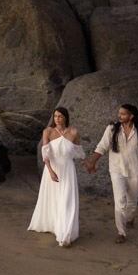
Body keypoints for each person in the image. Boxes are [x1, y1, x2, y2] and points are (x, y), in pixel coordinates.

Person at [86, 104, 138, 243]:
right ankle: (121, 232)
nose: (119, 116)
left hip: (134, 170)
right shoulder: (111, 129)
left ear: (131, 116)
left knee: (132, 201)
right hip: (116, 170)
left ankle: (130, 218)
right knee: (120, 201)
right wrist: (93, 162)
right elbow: (102, 146)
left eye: (123, 114)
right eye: (119, 113)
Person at [27, 106, 85, 247]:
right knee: (55, 200)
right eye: (55, 116)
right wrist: (51, 171)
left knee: (67, 201)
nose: (57, 119)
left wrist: (90, 164)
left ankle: (65, 236)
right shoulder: (48, 131)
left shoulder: (74, 132)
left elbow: (79, 152)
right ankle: (56, 227)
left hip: (68, 170)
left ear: (65, 117)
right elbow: (45, 154)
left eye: (60, 116)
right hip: (53, 170)